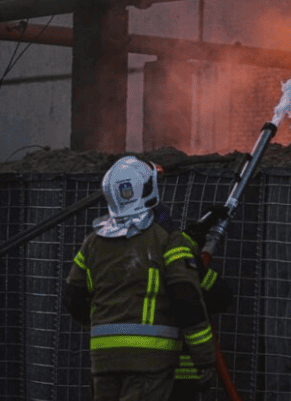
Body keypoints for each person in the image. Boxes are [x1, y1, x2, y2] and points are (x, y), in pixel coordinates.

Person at [64, 156, 218, 401]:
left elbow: (73, 298)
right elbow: (186, 299)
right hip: (149, 361)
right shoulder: (164, 238)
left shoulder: (92, 243)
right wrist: (204, 358)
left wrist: (105, 324)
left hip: (104, 361)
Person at [170, 205, 232, 401]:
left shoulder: (104, 248)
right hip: (175, 373)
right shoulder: (180, 265)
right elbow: (220, 296)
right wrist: (206, 361)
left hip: (116, 367)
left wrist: (192, 235)